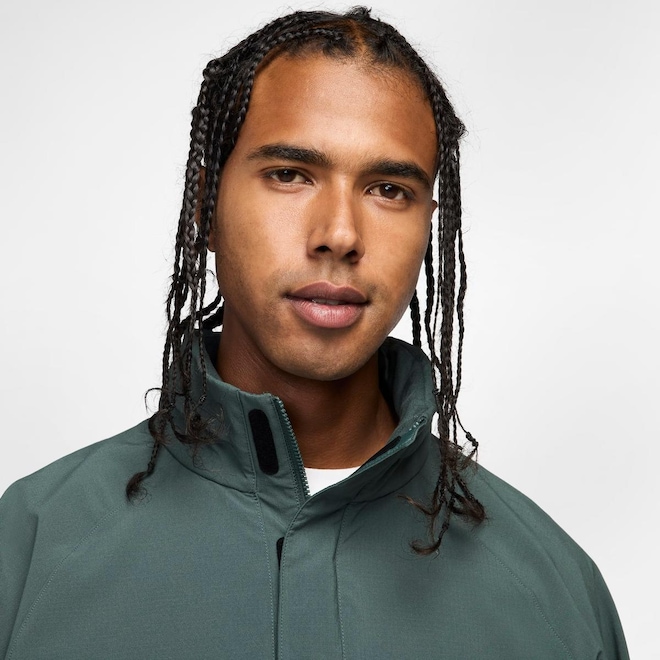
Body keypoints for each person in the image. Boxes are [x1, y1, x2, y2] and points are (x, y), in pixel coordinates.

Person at [0, 7, 628, 659]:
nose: (341, 234)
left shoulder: (556, 595)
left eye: (389, 189)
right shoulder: (32, 547)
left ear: (428, 227)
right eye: (290, 174)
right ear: (204, 207)